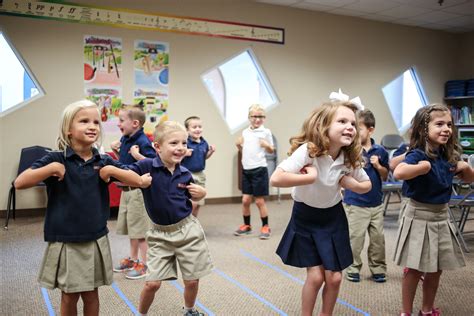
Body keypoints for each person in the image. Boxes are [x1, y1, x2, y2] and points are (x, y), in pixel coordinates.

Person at [13, 100, 152, 316]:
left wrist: (111, 172)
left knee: (91, 295)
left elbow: (135, 180)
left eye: (96, 122)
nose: (92, 126)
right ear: (68, 129)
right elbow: (20, 183)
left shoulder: (103, 160)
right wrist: (50, 169)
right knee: (69, 296)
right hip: (66, 239)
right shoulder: (56, 158)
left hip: (95, 238)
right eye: (84, 121)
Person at [270, 100, 371, 316]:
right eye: (342, 121)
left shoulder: (348, 157)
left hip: (333, 218)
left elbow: (367, 185)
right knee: (315, 277)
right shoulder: (309, 150)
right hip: (305, 217)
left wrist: (351, 184)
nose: (350, 127)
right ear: (324, 126)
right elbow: (276, 179)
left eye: (353, 123)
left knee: (334, 278)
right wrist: (308, 178)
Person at [393, 104, 474, 316]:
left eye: (449, 124)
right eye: (439, 124)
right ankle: (406, 312)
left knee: (437, 268)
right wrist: (421, 168)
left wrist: (466, 168)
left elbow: (470, 178)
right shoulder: (417, 154)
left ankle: (427, 310)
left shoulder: (449, 155)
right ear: (423, 129)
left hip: (441, 216)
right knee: (414, 268)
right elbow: (399, 172)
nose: (446, 128)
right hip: (419, 215)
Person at [128, 121, 213, 316]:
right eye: (174, 143)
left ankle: (190, 310)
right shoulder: (146, 165)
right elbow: (122, 176)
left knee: (192, 279)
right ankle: (141, 314)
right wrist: (139, 181)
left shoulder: (185, 173)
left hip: (188, 230)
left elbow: (194, 196)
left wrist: (202, 192)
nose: (181, 148)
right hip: (160, 234)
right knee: (152, 284)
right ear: (157, 147)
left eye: (184, 143)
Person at [110, 104, 157, 280]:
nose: (118, 124)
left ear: (135, 123)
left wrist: (138, 156)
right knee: (132, 228)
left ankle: (145, 264)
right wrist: (117, 151)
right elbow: (124, 164)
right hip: (126, 190)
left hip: (138, 191)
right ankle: (133, 258)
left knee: (141, 231)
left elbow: (155, 164)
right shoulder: (125, 139)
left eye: (122, 120)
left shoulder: (143, 141)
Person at [343, 109, 389, 283]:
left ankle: (378, 268)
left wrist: (378, 166)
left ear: (370, 130)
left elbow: (385, 175)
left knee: (378, 240)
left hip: (376, 204)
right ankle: (353, 268)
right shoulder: (350, 150)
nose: (354, 131)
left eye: (358, 128)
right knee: (355, 238)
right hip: (355, 203)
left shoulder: (380, 151)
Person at [235, 104, 274, 239]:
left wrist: (267, 145)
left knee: (259, 201)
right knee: (245, 200)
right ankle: (247, 226)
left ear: (264, 118)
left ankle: (265, 226)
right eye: (254, 116)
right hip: (247, 170)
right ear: (249, 117)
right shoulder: (245, 132)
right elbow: (243, 151)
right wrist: (238, 146)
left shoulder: (266, 132)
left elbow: (271, 150)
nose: (257, 119)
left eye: (261, 116)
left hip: (259, 170)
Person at [181, 116, 216, 216]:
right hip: (187, 174)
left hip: (200, 174)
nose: (197, 129)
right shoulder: (185, 142)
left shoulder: (204, 142)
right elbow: (177, 157)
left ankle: (194, 222)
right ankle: (187, 222)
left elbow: (204, 157)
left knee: (199, 202)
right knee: (191, 202)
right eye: (194, 127)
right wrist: (184, 153)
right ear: (187, 130)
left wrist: (210, 152)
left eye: (199, 126)